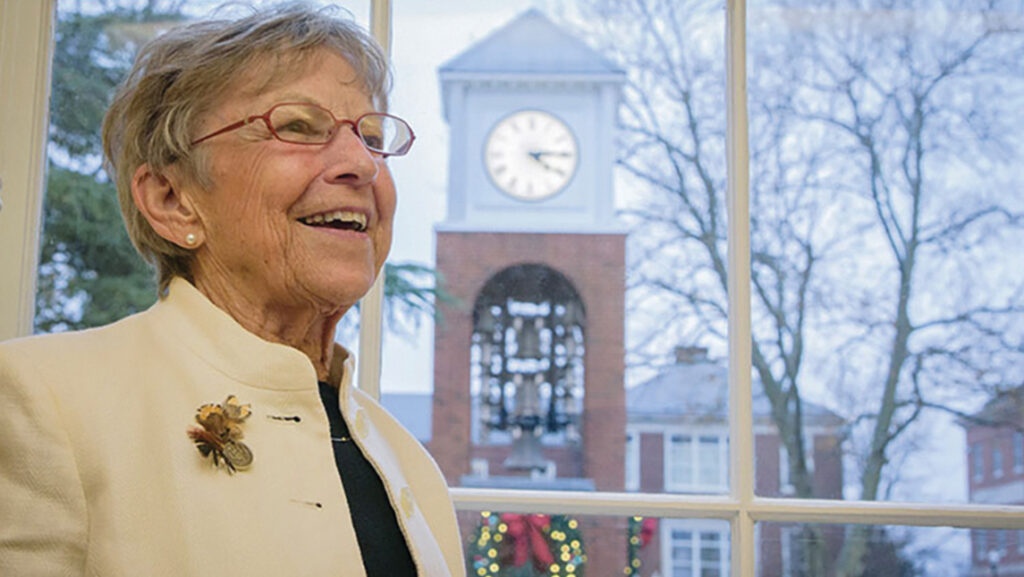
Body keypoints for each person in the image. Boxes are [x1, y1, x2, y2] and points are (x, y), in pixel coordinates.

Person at [0, 4, 464, 576]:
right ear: (172, 199)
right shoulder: (44, 401)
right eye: (297, 126)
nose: (361, 165)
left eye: (370, 135)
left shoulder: (409, 464)